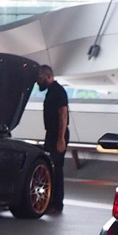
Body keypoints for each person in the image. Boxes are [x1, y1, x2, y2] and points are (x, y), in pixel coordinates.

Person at [37, 64, 68, 212]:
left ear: (48, 77)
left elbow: (63, 114)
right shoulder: (51, 92)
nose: (38, 82)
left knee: (57, 169)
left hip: (58, 134)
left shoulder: (58, 91)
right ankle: (50, 201)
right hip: (51, 133)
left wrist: (61, 138)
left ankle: (57, 203)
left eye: (40, 79)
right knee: (51, 167)